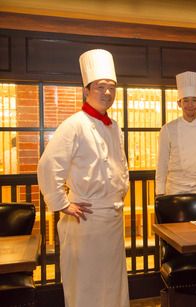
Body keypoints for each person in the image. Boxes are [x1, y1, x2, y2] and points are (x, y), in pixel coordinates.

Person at [37, 49, 130, 307]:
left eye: (112, 87)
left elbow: (120, 165)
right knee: (87, 285)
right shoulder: (74, 124)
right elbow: (48, 165)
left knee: (113, 283)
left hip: (112, 219)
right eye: (101, 86)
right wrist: (62, 203)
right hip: (86, 219)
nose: (107, 92)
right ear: (86, 89)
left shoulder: (114, 127)